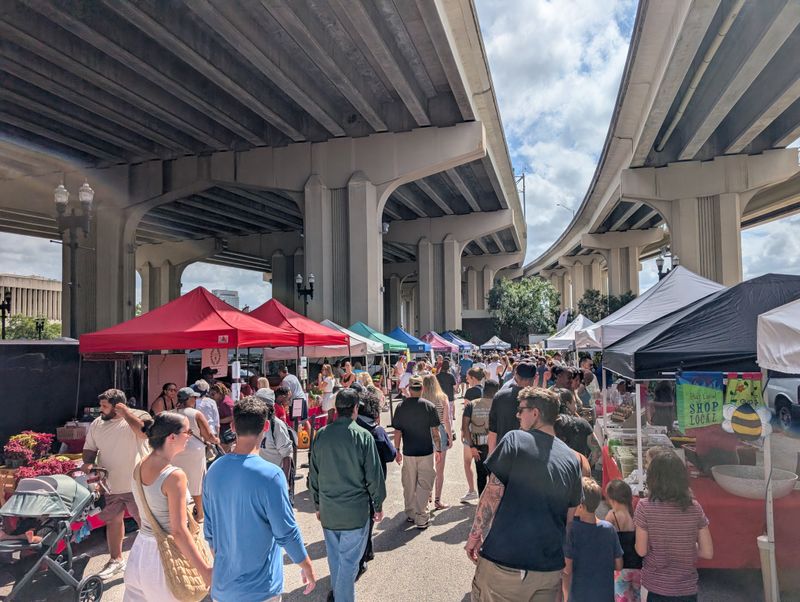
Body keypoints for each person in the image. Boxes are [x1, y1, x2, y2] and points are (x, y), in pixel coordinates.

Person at [466, 387, 582, 602]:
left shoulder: (515, 439)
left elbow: (492, 493)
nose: (518, 415)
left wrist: (475, 535)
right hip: (548, 568)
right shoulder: (571, 459)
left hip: (507, 561)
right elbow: (568, 519)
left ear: (535, 413)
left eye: (521, 410)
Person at [203, 396, 316, 601]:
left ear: (234, 426)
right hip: (261, 588)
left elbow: (210, 531)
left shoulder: (214, 470)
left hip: (223, 588)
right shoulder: (271, 475)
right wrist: (306, 565)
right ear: (265, 426)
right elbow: (286, 531)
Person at [124, 413, 212, 601]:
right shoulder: (174, 476)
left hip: (141, 551)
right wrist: (205, 571)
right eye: (188, 432)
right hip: (164, 559)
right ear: (172, 437)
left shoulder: (140, 465)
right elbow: (178, 531)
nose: (190, 436)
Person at [309, 388, 386, 602]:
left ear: (335, 409)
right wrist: (378, 505)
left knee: (336, 560)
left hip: (329, 510)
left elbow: (313, 474)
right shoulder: (363, 436)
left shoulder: (322, 435)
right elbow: (374, 475)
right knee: (348, 564)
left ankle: (339, 594)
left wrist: (317, 504)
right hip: (355, 511)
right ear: (355, 408)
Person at [82, 389, 149, 580]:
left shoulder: (137, 417)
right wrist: (88, 463)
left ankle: (153, 560)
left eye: (105, 406)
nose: (100, 410)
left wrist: (126, 413)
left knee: (145, 524)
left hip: (136, 483)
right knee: (112, 521)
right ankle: (116, 560)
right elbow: (89, 450)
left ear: (118, 406)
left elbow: (144, 434)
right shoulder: (97, 424)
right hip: (110, 484)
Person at [634, 452, 713, 602]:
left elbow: (641, 550)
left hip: (655, 586)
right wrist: (685, 546)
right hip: (687, 589)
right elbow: (707, 552)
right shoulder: (695, 507)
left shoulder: (644, 506)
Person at [563, 477, 623, 602]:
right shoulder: (609, 529)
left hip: (579, 596)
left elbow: (567, 568)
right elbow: (619, 565)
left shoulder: (571, 530)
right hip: (604, 596)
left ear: (580, 506)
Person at [392, 376, 441, 529]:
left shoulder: (401, 406)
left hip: (408, 452)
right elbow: (435, 431)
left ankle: (411, 513)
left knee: (409, 484)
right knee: (424, 484)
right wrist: (438, 449)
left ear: (409, 388)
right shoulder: (429, 406)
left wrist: (397, 450)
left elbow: (397, 431)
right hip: (426, 451)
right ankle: (421, 516)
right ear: (422, 389)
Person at [173, 387, 219, 522]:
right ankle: (199, 514)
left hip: (175, 450)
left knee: (177, 481)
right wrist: (216, 440)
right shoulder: (196, 414)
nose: (195, 400)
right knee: (196, 482)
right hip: (194, 451)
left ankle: (178, 514)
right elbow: (208, 435)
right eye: (194, 397)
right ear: (188, 399)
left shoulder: (170, 413)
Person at [487, 361, 536, 453]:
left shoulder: (500, 396)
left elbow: (492, 430)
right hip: (531, 453)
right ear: (534, 378)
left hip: (504, 452)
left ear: (516, 376)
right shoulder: (540, 399)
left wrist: (491, 456)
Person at [605, 479, 642, 602]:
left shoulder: (612, 516)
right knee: (637, 597)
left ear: (612, 499)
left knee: (622, 597)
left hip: (621, 567)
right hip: (638, 566)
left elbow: (607, 541)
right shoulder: (635, 514)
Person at [462, 379, 499, 496]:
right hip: (496, 446)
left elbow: (465, 427)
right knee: (494, 477)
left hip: (478, 446)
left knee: (481, 476)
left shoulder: (472, 404)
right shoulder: (498, 406)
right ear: (496, 391)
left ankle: (481, 504)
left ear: (484, 389)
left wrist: (471, 447)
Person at [422, 374, 452, 510]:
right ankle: (437, 500)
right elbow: (446, 420)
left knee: (427, 467)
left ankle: (426, 497)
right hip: (440, 431)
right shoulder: (443, 397)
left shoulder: (422, 398)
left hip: (425, 432)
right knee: (440, 469)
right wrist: (450, 436)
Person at [257, 388, 294, 491]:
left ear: (269, 407)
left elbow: (286, 456)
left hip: (274, 479)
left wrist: (284, 482)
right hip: (257, 479)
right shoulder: (252, 424)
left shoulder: (276, 426)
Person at [554, 388, 601, 467]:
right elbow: (597, 452)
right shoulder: (582, 423)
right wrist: (587, 467)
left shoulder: (548, 424)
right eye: (574, 402)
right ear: (568, 403)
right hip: (579, 472)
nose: (576, 406)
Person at [460, 367, 485, 502]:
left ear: (473, 378)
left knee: (467, 462)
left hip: (471, 429)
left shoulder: (470, 392)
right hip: (485, 430)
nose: (466, 380)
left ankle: (471, 490)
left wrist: (463, 431)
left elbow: (466, 412)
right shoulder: (486, 390)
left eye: (468, 378)